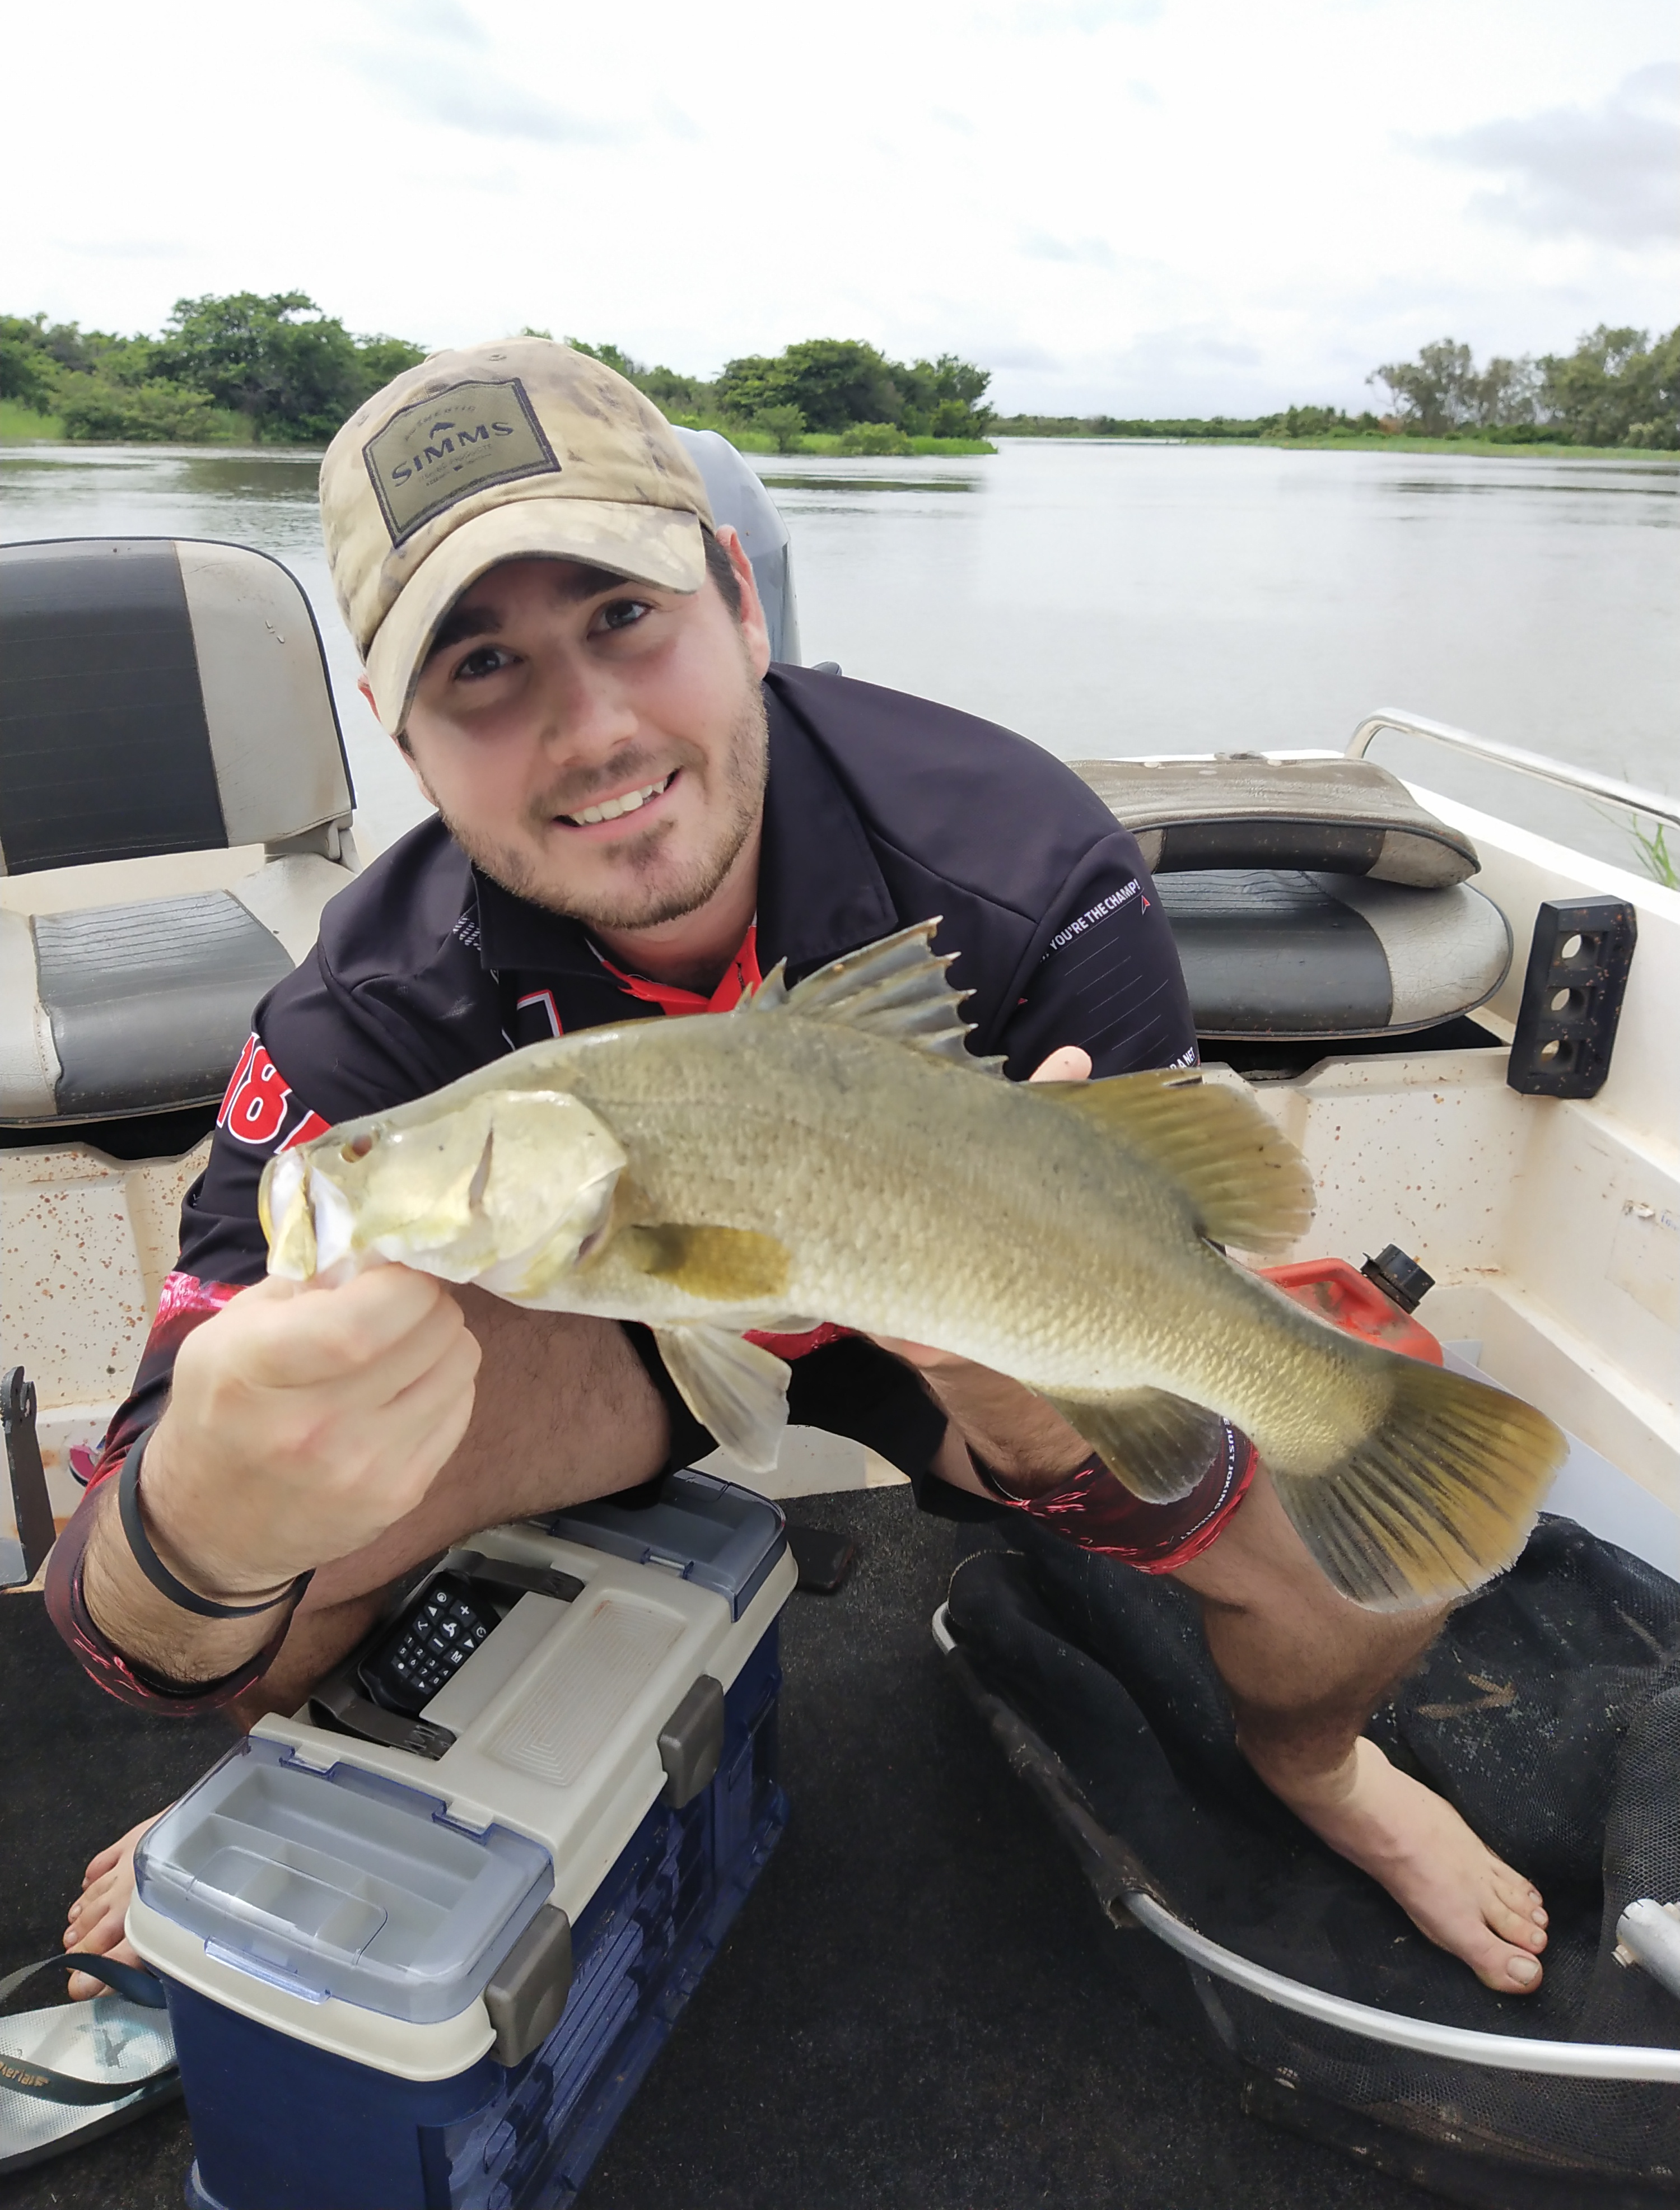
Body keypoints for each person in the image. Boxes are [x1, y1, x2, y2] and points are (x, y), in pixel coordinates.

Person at [46, 338, 1548, 2003]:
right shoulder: (366, 1013)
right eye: (482, 667)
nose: (591, 729)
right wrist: (216, 1531)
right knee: (287, 1560)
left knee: (1373, 1561)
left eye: (626, 616)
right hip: (621, 1331)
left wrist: (1036, 1400)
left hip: (960, 1325)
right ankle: (293, 1772)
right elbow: (121, 1605)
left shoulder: (1029, 857)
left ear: (745, 614)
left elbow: (1179, 1289)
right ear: (405, 740)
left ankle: (1319, 1769)